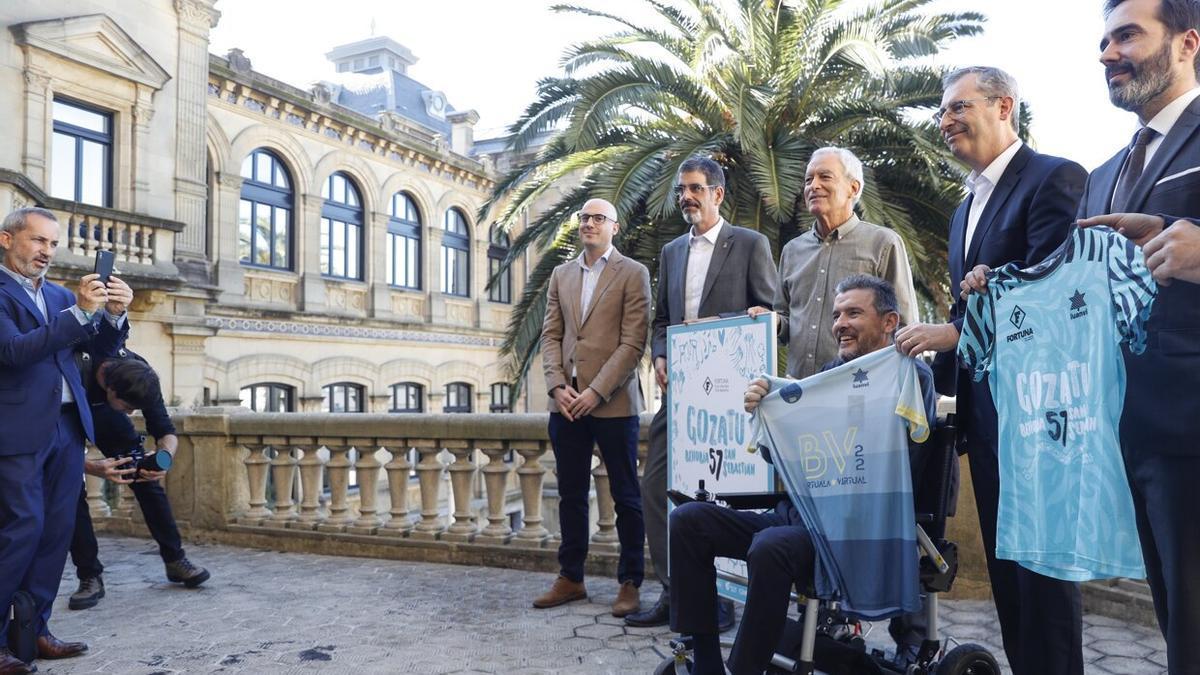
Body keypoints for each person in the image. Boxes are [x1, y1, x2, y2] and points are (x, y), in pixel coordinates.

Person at [895, 66, 1088, 675]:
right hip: (983, 418)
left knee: (1043, 583)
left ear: (1004, 105)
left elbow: (1057, 294)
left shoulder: (1055, 177)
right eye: (942, 113)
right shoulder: (962, 211)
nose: (946, 120)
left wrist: (953, 332)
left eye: (958, 107)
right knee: (1008, 581)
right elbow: (967, 305)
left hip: (1038, 418)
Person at [670, 275, 936, 675]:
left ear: (889, 321)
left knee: (771, 546)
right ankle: (705, 663)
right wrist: (770, 409)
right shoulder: (827, 376)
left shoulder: (910, 376)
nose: (840, 323)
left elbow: (907, 461)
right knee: (688, 520)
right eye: (836, 314)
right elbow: (794, 457)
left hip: (851, 530)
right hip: (798, 517)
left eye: (853, 313)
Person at [1070, 1, 1200, 670]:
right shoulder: (1099, 177)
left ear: (1187, 42)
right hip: (1125, 438)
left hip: (1193, 435)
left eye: (1126, 35)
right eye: (1103, 40)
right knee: (1178, 630)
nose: (1107, 53)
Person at [625, 156, 777, 629]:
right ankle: (676, 592)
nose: (686, 197)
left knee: (727, 495)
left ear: (718, 194)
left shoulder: (750, 244)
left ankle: (723, 600)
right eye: (681, 190)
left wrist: (750, 327)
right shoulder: (671, 252)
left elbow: (772, 314)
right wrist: (663, 352)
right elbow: (663, 319)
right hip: (683, 395)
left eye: (694, 188)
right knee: (655, 486)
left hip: (735, 399)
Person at [0, 207, 131, 675]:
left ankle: (34, 631)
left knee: (56, 534)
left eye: (53, 244)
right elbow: (13, 352)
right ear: (7, 239)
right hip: (15, 432)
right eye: (38, 241)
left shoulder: (58, 295)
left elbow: (100, 355)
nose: (46, 252)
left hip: (67, 427)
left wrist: (114, 316)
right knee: (21, 530)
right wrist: (81, 312)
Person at [532, 198, 651, 617]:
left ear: (614, 227)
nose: (589, 223)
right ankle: (571, 578)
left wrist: (595, 392)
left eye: (598, 218)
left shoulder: (633, 274)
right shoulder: (561, 275)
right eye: (584, 217)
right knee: (569, 495)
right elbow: (551, 336)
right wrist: (557, 386)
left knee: (626, 496)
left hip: (613, 405)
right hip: (566, 406)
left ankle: (630, 581)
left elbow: (633, 343)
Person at [68, 355, 210, 611]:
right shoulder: (78, 368)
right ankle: (89, 576)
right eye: (128, 406)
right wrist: (88, 466)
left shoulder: (141, 375)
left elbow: (165, 429)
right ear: (110, 387)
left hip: (108, 417)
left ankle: (175, 560)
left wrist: (163, 458)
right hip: (68, 414)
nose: (132, 412)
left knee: (146, 479)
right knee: (71, 491)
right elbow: (48, 446)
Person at [767, 147, 918, 379]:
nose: (813, 186)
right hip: (799, 392)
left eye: (824, 176)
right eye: (808, 179)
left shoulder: (883, 243)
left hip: (859, 388)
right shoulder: (792, 251)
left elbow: (904, 324)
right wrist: (774, 322)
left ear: (853, 188)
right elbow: (786, 322)